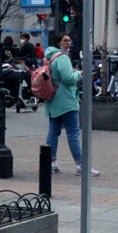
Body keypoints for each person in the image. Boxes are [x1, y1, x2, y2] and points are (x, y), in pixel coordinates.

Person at [41, 33, 95, 175]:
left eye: (70, 40)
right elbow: (68, 79)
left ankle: (50, 161)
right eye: (65, 40)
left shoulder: (49, 57)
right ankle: (81, 164)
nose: (68, 43)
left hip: (53, 98)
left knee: (54, 130)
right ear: (58, 42)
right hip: (66, 99)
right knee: (73, 132)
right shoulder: (62, 57)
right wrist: (79, 73)